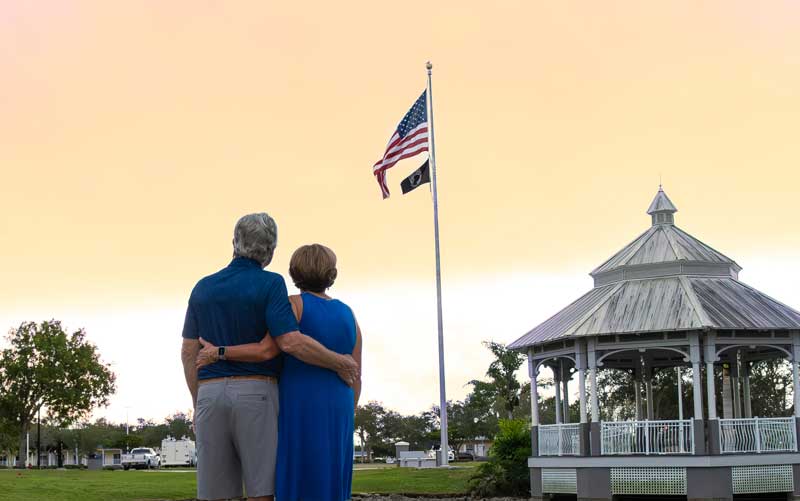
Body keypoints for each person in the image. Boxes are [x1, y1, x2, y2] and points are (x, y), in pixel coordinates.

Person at [181, 214, 358, 501]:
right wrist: (340, 362)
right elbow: (288, 341)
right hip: (256, 392)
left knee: (215, 494)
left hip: (209, 395)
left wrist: (197, 400)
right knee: (260, 492)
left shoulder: (202, 287)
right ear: (271, 250)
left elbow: (189, 351)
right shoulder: (272, 285)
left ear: (234, 243)